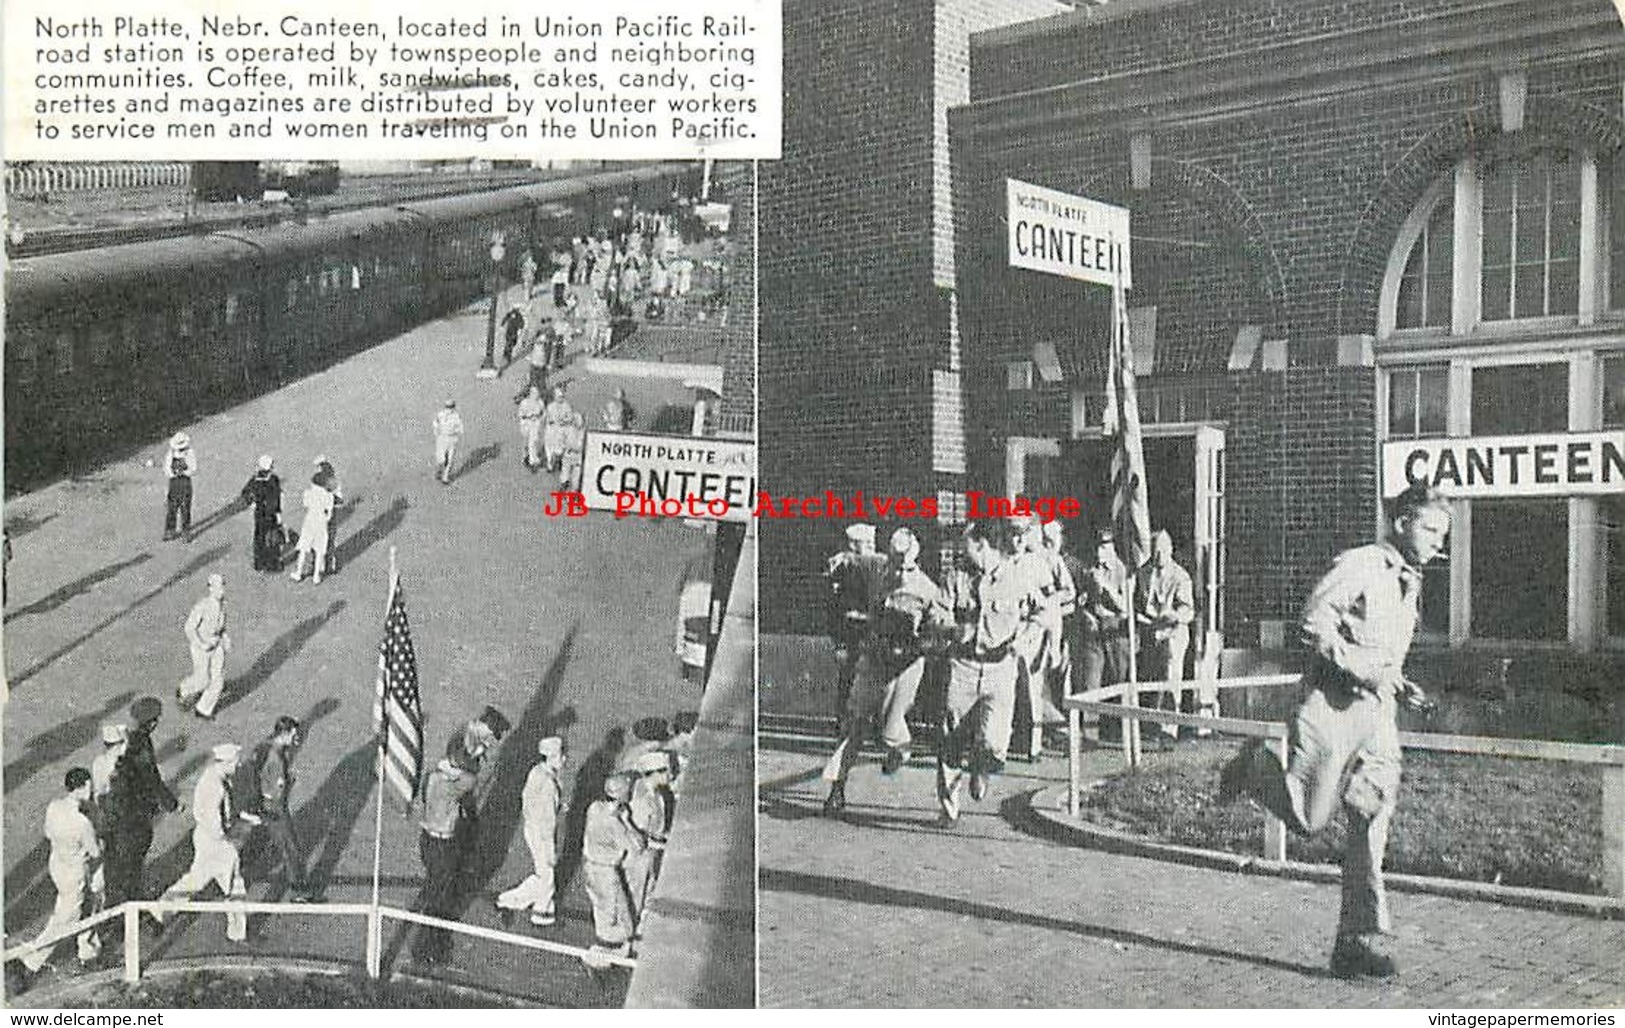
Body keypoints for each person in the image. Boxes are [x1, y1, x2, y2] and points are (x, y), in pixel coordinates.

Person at [1218, 482, 1451, 979]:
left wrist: (1396, 682)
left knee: (1371, 816)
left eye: (1442, 533)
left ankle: (1356, 941)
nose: (1437, 542)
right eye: (1430, 529)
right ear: (1402, 522)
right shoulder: (1362, 564)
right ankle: (1256, 766)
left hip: (1377, 716)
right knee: (1309, 818)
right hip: (1331, 704)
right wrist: (1367, 670)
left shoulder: (1410, 581)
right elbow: (1312, 625)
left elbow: (1379, 649)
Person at [822, 527, 952, 814]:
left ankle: (899, 751)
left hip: (906, 666)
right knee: (853, 723)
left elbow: (942, 633)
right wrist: (841, 558)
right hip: (873, 660)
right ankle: (836, 788)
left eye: (907, 567)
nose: (900, 574)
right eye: (896, 565)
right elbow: (855, 559)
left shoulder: (928, 590)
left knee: (891, 730)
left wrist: (922, 640)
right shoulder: (878, 568)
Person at [936, 519, 1027, 823]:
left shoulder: (1016, 577)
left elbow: (1039, 614)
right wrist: (951, 628)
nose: (964, 553)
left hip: (1000, 669)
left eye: (967, 546)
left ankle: (982, 764)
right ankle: (949, 808)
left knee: (996, 744)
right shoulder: (956, 577)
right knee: (951, 736)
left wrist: (1023, 642)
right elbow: (938, 613)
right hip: (962, 666)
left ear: (982, 545)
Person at [155, 744, 253, 943]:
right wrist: (229, 836)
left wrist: (241, 816)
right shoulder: (216, 786)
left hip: (205, 837)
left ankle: (159, 912)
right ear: (225, 762)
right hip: (215, 842)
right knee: (234, 885)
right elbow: (214, 820)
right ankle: (237, 933)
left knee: (196, 879)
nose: (238, 764)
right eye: (235, 761)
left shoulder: (212, 777)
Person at [19, 768, 103, 976]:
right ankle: (31, 960)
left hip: (57, 864)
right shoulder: (82, 823)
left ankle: (88, 951)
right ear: (83, 787)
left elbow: (48, 833)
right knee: (66, 918)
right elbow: (95, 851)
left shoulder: (54, 807)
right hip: (76, 872)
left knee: (82, 907)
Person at [102, 697, 178, 913]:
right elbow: (152, 779)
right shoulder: (142, 744)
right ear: (153, 722)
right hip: (135, 816)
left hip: (117, 813)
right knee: (132, 866)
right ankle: (128, 912)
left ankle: (119, 907)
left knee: (117, 866)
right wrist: (171, 804)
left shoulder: (126, 741)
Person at [1013, 517, 1076, 760]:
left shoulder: (1046, 561)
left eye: (1025, 533)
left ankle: (1038, 743)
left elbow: (1061, 596)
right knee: (1019, 688)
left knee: (1036, 686)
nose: (1020, 539)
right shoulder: (1011, 561)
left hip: (1040, 628)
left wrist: (1053, 640)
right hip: (1014, 628)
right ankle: (1027, 739)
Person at [413, 751, 479, 966]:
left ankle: (430, 940)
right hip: (443, 844)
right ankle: (428, 947)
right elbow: (471, 780)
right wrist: (458, 772)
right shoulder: (450, 787)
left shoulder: (432, 778)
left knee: (436, 889)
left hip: (429, 840)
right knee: (439, 898)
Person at [244, 716, 320, 902]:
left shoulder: (265, 747)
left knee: (258, 843)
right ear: (284, 733)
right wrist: (287, 784)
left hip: (262, 806)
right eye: (293, 734)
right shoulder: (277, 758)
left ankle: (242, 871)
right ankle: (299, 891)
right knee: (291, 848)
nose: (296, 738)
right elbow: (276, 790)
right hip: (276, 810)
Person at [495, 737, 566, 927]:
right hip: (542, 832)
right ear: (551, 757)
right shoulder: (549, 782)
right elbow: (549, 814)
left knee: (545, 873)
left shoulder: (536, 772)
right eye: (560, 756)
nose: (564, 759)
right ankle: (535, 909)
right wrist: (550, 837)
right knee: (547, 872)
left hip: (532, 827)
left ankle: (539, 907)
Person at [1136, 529, 1197, 742]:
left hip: (1174, 633)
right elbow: (1138, 602)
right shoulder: (1143, 573)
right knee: (1154, 677)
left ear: (1170, 549)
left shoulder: (1180, 576)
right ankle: (1153, 724)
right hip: (1151, 631)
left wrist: (1173, 615)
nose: (1159, 555)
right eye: (1155, 550)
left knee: (1172, 677)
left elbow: (1188, 610)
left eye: (1163, 550)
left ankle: (1169, 729)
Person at [826, 524, 889, 721]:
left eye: (872, 542)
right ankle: (844, 721)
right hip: (852, 633)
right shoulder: (842, 568)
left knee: (878, 679)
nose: (871, 546)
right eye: (866, 543)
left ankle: (877, 723)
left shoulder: (880, 565)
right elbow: (835, 609)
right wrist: (840, 643)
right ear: (853, 544)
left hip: (875, 631)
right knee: (849, 678)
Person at [1077, 528, 1134, 736]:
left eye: (1104, 547)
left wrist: (1106, 586)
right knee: (1091, 683)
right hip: (1094, 632)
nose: (1099, 552)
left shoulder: (1123, 571)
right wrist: (1087, 613)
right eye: (1097, 547)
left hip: (1116, 631)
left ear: (1112, 547)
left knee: (1121, 682)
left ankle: (1125, 732)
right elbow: (1082, 601)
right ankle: (1090, 735)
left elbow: (1127, 607)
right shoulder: (1090, 570)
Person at [581, 773, 644, 957]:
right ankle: (611, 955)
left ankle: (605, 950)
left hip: (590, 867)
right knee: (619, 919)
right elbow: (638, 846)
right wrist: (627, 821)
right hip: (607, 873)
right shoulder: (615, 823)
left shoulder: (594, 808)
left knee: (601, 911)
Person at [624, 751, 673, 931]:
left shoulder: (653, 792)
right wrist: (665, 843)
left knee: (646, 892)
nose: (671, 774)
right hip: (638, 858)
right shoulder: (643, 801)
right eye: (666, 771)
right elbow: (638, 835)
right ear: (655, 773)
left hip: (649, 855)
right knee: (635, 896)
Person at [176, 573, 231, 721]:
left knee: (218, 679)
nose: (222, 590)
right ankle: (184, 689)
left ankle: (203, 709)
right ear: (211, 588)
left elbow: (221, 626)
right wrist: (201, 643)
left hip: (217, 644)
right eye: (218, 587)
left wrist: (225, 637)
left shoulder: (223, 605)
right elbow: (189, 628)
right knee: (203, 679)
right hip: (201, 646)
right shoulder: (202, 606)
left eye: (223, 586)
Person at [288, 473, 336, 585]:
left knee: (303, 548)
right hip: (321, 523)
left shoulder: (309, 493)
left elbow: (306, 504)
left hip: (310, 522)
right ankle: (316, 576)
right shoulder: (329, 496)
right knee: (319, 550)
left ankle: (298, 573)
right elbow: (329, 514)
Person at [239, 455, 283, 572]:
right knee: (272, 539)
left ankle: (259, 563)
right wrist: (278, 513)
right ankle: (272, 564)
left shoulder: (255, 481)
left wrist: (251, 503)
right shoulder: (273, 480)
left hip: (259, 513)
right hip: (271, 514)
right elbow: (276, 499)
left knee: (259, 537)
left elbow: (244, 493)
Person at [162, 432, 197, 541]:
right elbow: (166, 469)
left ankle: (186, 531)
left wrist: (185, 472)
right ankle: (170, 530)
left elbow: (194, 468)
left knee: (185, 508)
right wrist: (173, 473)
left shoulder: (190, 453)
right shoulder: (171, 454)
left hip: (185, 482)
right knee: (172, 508)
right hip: (174, 483)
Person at [313, 455, 344, 575]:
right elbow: (340, 501)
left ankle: (322, 565)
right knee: (329, 540)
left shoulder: (324, 484)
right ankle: (328, 565)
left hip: (323, 515)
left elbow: (339, 501)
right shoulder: (334, 482)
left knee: (322, 540)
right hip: (328, 514)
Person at [542, 386, 577, 476]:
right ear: (555, 397)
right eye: (558, 397)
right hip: (552, 429)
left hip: (562, 428)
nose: (560, 398)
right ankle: (550, 463)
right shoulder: (550, 407)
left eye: (561, 396)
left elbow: (570, 418)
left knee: (561, 445)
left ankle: (559, 459)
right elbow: (547, 418)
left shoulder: (567, 406)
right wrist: (550, 422)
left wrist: (564, 421)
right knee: (549, 441)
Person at [432, 400, 464, 485]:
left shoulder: (456, 416)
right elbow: (435, 423)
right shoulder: (441, 415)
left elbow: (460, 428)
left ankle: (445, 477)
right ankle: (439, 470)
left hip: (452, 439)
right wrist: (437, 432)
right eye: (448, 407)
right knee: (441, 459)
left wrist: (456, 433)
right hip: (442, 438)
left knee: (450, 459)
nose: (449, 409)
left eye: (451, 407)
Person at [518, 385, 545, 471]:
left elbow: (544, 412)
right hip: (527, 425)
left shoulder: (540, 402)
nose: (537, 395)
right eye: (534, 393)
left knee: (533, 441)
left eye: (537, 393)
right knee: (527, 443)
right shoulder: (524, 403)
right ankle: (526, 457)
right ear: (530, 394)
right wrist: (528, 416)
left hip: (536, 424)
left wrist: (540, 419)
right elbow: (521, 415)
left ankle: (533, 461)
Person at [501, 303, 527, 367]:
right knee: (511, 343)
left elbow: (505, 318)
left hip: (509, 331)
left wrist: (502, 324)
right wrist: (521, 328)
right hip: (513, 332)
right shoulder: (519, 315)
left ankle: (505, 353)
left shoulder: (511, 313)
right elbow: (522, 323)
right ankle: (508, 357)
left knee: (509, 342)